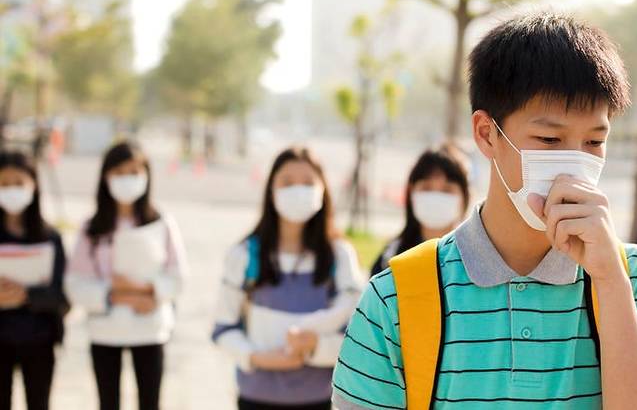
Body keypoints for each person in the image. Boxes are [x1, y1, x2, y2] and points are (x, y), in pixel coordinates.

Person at [333, 12, 637, 409]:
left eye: (594, 142)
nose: (574, 162)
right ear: (486, 134)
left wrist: (610, 280)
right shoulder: (394, 298)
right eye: (550, 139)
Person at [213, 146, 363, 410]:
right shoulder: (245, 255)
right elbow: (223, 329)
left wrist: (315, 348)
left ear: (323, 191)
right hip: (256, 398)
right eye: (287, 182)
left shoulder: (340, 256)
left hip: (321, 399)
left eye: (307, 183)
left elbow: (358, 336)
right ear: (271, 191)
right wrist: (259, 357)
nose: (298, 190)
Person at [65, 141, 188, 410]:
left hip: (150, 327)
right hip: (105, 330)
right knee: (108, 401)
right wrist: (113, 294)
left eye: (134, 172)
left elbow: (177, 276)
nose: (127, 180)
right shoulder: (92, 228)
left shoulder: (161, 222)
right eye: (119, 173)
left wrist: (145, 290)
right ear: (106, 177)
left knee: (150, 401)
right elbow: (75, 283)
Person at [0, 150, 68, 410]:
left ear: (34, 185)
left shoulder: (50, 237)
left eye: (18, 183)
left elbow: (63, 294)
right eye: (4, 184)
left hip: (39, 337)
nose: (11, 190)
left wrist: (26, 294)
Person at [370, 143, 469, 276]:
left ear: (464, 196)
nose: (436, 198)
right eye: (426, 188)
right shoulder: (391, 257)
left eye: (447, 190)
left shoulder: (474, 256)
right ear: (411, 193)